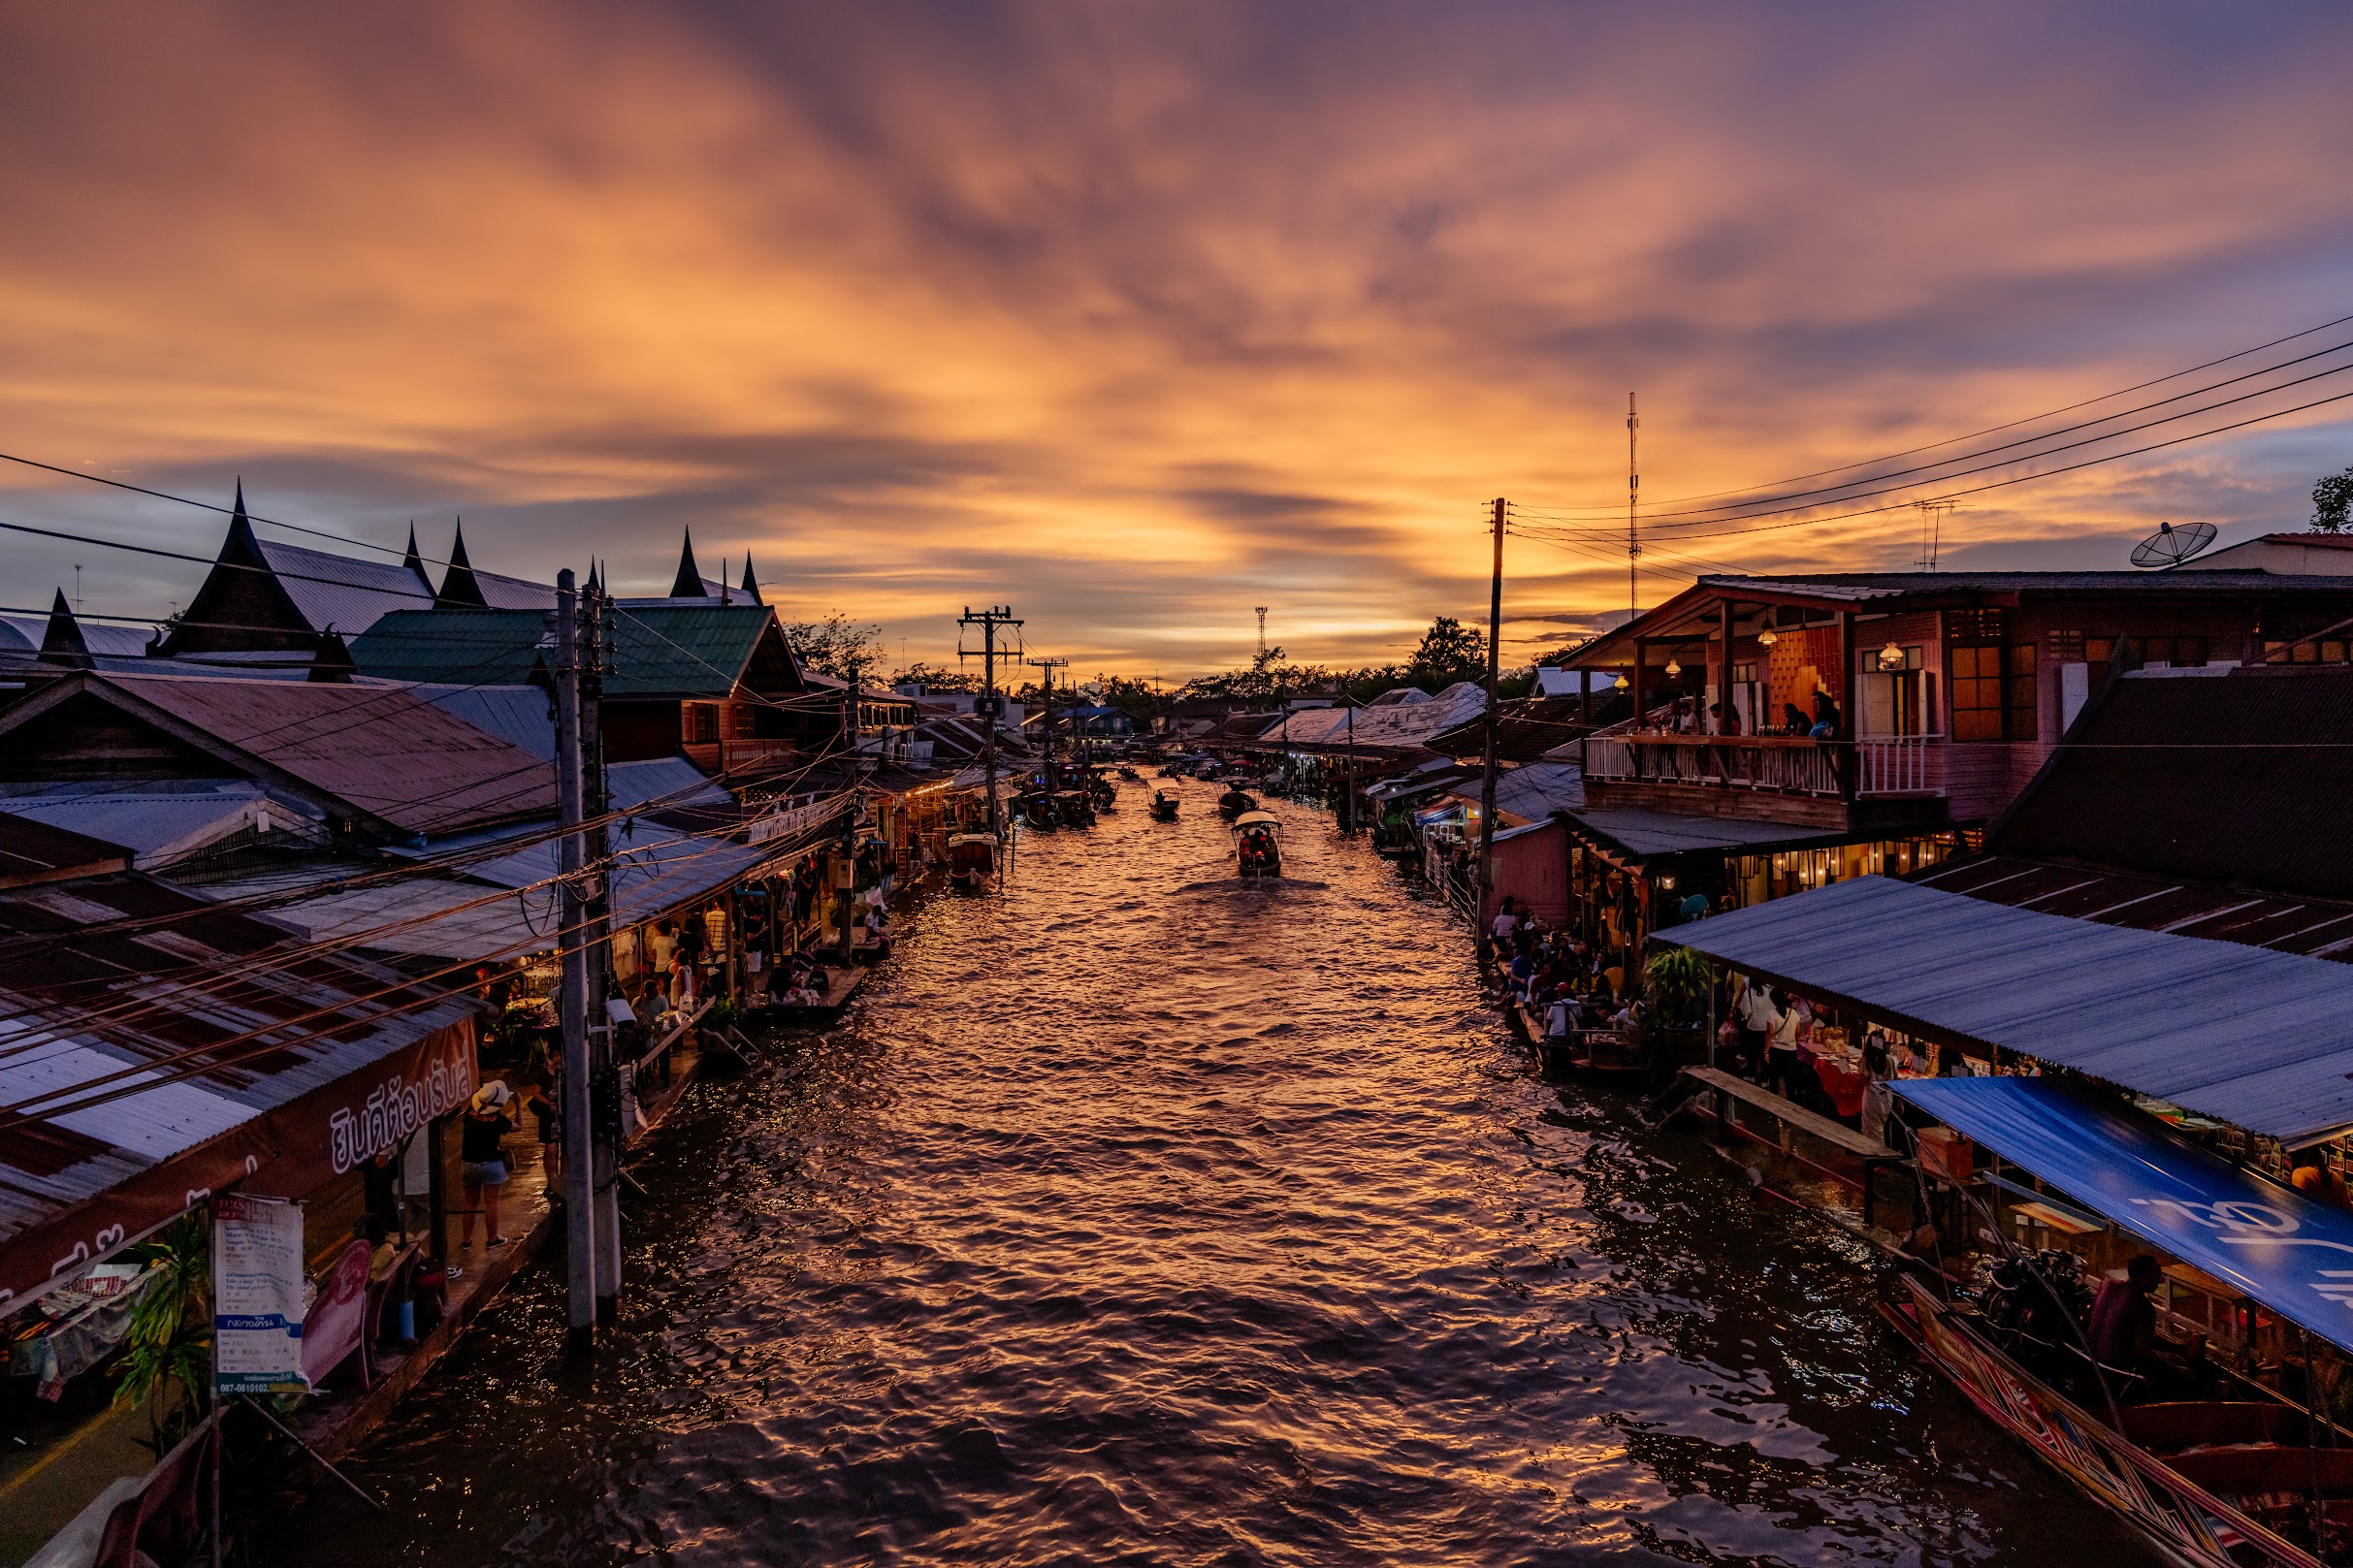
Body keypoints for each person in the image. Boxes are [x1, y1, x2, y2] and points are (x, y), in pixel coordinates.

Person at [2087, 1254, 2164, 1395]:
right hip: (2117, 1372)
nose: (2159, 1282)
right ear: (2145, 1278)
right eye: (2157, 1277)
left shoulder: (2108, 1286)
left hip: (2090, 1360)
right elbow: (2142, 1353)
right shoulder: (2144, 1307)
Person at [459, 1081, 517, 1250]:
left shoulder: (469, 1115)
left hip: (469, 1163)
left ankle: (466, 1240)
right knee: (491, 1203)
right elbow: (519, 1126)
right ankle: (492, 1239)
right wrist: (519, 1106)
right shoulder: (499, 1120)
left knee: (470, 1202)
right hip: (491, 1164)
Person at [520, 1080, 561, 1188]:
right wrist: (549, 1103)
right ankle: (552, 1182)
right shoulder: (543, 1075)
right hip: (549, 1117)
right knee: (551, 1149)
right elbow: (535, 1093)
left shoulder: (570, 1071)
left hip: (566, 1115)